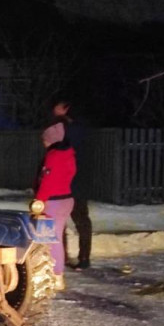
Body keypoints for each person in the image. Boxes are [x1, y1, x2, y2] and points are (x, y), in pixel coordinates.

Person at [36, 122, 76, 291]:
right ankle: (56, 274)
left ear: (51, 140)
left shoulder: (53, 156)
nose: (43, 143)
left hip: (52, 201)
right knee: (56, 237)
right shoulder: (69, 155)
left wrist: (39, 201)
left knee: (47, 239)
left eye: (45, 140)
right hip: (66, 199)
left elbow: (47, 182)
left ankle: (53, 274)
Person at [53, 100, 92, 270]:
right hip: (79, 181)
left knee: (61, 221)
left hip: (65, 183)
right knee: (82, 220)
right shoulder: (82, 129)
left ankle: (63, 256)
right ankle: (84, 257)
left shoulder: (63, 130)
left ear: (66, 109)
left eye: (58, 107)